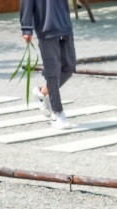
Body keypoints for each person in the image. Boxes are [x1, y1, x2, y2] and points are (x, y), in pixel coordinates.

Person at [20, 0, 76, 129]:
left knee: (69, 67)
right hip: (46, 27)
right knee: (53, 71)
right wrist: (26, 28)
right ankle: (57, 114)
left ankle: (42, 92)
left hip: (65, 25)